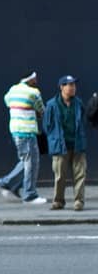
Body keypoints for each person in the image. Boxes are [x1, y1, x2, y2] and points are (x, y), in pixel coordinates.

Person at [0, 72, 47, 205]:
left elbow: (7, 101)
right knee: (31, 163)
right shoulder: (33, 92)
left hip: (16, 130)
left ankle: (6, 183)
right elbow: (42, 111)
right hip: (27, 131)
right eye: (35, 78)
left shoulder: (12, 90)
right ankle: (29, 195)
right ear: (31, 79)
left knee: (25, 161)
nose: (37, 81)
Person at [43, 75, 86, 211]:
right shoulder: (52, 104)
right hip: (60, 145)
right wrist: (55, 138)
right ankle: (58, 201)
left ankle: (79, 201)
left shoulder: (78, 103)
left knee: (80, 174)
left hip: (77, 144)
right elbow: (46, 125)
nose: (73, 88)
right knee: (60, 175)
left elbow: (82, 119)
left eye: (74, 85)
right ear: (62, 87)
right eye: (69, 85)